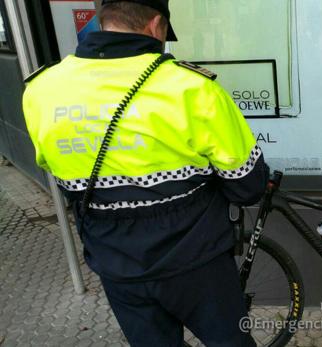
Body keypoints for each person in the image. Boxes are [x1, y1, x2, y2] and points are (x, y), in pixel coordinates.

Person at [22, 1, 266, 346]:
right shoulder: (192, 87)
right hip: (197, 263)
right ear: (156, 26)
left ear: (102, 20)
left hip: (116, 264)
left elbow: (58, 172)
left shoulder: (41, 90)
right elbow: (248, 186)